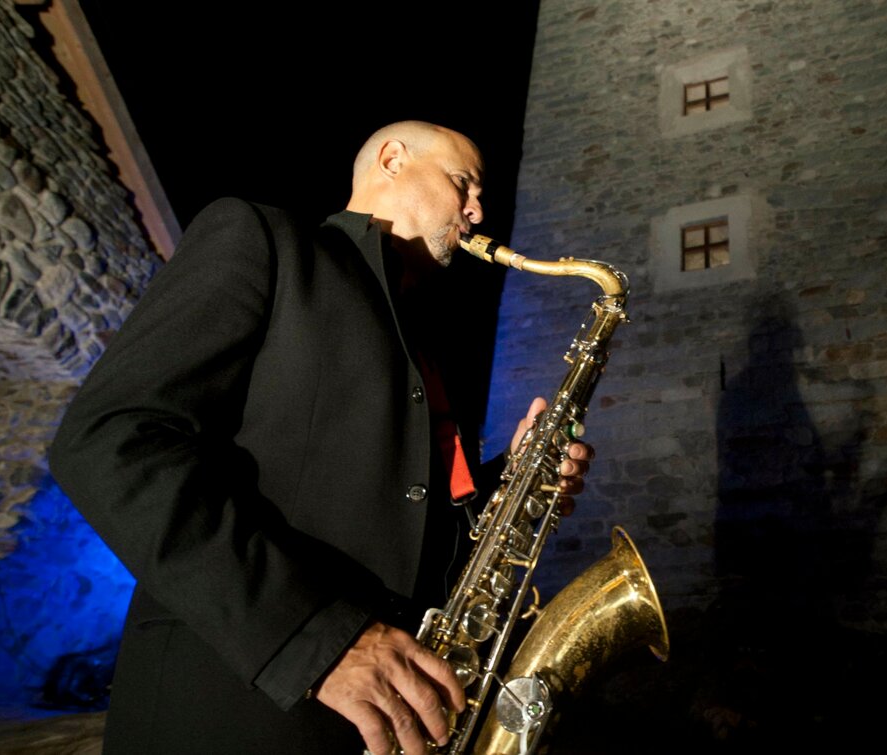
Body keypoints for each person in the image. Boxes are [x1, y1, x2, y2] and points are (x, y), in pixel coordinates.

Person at [48, 121, 592, 755]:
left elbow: (410, 521)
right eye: (462, 182)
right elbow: (113, 436)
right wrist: (316, 637)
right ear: (392, 160)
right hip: (237, 711)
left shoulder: (423, 338)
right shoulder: (265, 240)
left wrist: (512, 480)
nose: (478, 209)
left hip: (392, 714)